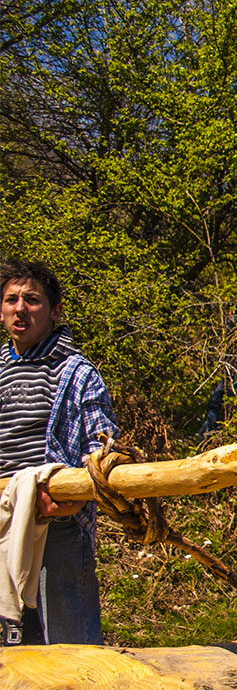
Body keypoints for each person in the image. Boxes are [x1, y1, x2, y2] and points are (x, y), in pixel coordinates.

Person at [0, 259, 116, 646]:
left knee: (69, 649)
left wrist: (69, 500)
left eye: (32, 300)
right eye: (12, 299)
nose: (20, 308)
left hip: (59, 526)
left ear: (54, 310)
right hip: (3, 521)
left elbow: (104, 451)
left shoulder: (76, 372)